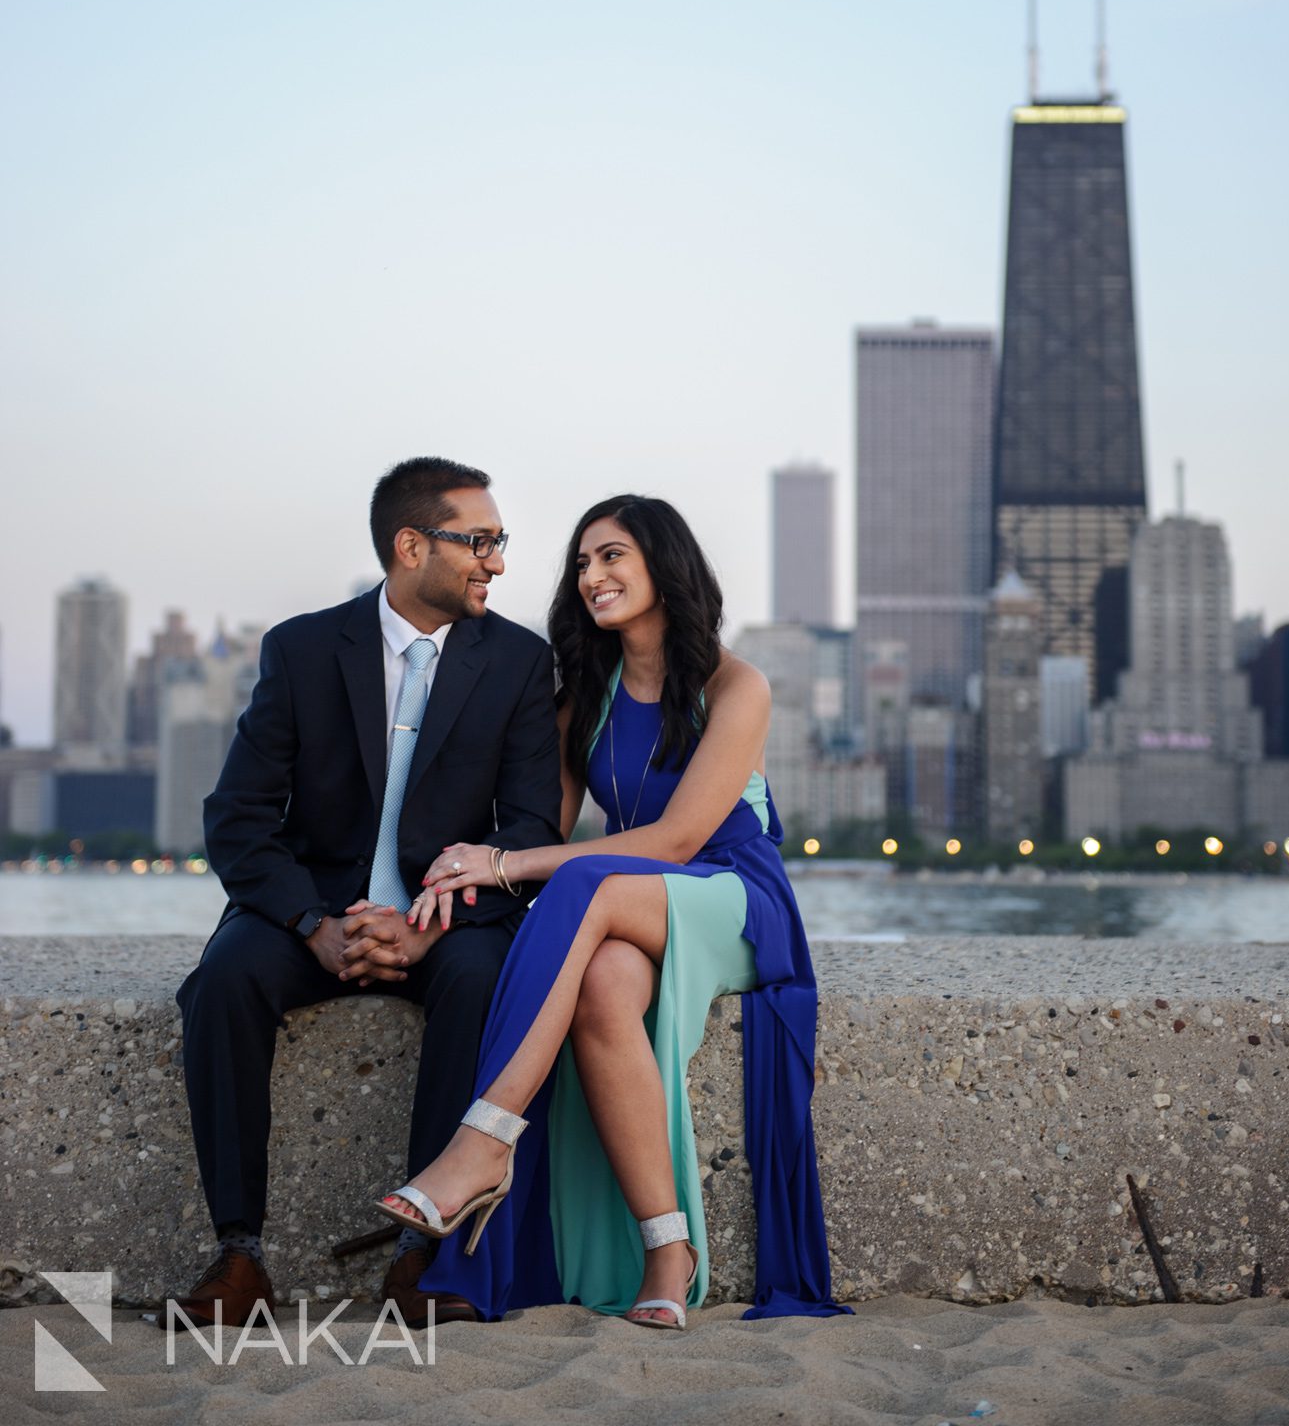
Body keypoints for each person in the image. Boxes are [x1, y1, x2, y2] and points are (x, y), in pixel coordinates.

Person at [379, 494, 847, 1326]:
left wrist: (503, 862)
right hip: (626, 903)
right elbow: (544, 834)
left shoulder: (734, 685)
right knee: (598, 985)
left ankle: (485, 1142)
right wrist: (439, 900)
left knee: (580, 887)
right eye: (582, 563)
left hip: (730, 895)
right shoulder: (581, 701)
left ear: (663, 566)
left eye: (612, 556)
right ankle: (668, 1248)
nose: (592, 576)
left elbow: (672, 842)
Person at [164, 458, 563, 1331]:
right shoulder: (304, 648)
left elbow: (530, 829)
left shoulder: (522, 664)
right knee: (224, 981)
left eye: (501, 543)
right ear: (409, 545)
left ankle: (422, 1256)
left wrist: (428, 924)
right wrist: (312, 922)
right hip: (309, 909)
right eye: (480, 541)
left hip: (448, 919)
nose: (496, 561)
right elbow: (237, 818)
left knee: (482, 981)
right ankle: (240, 1256)